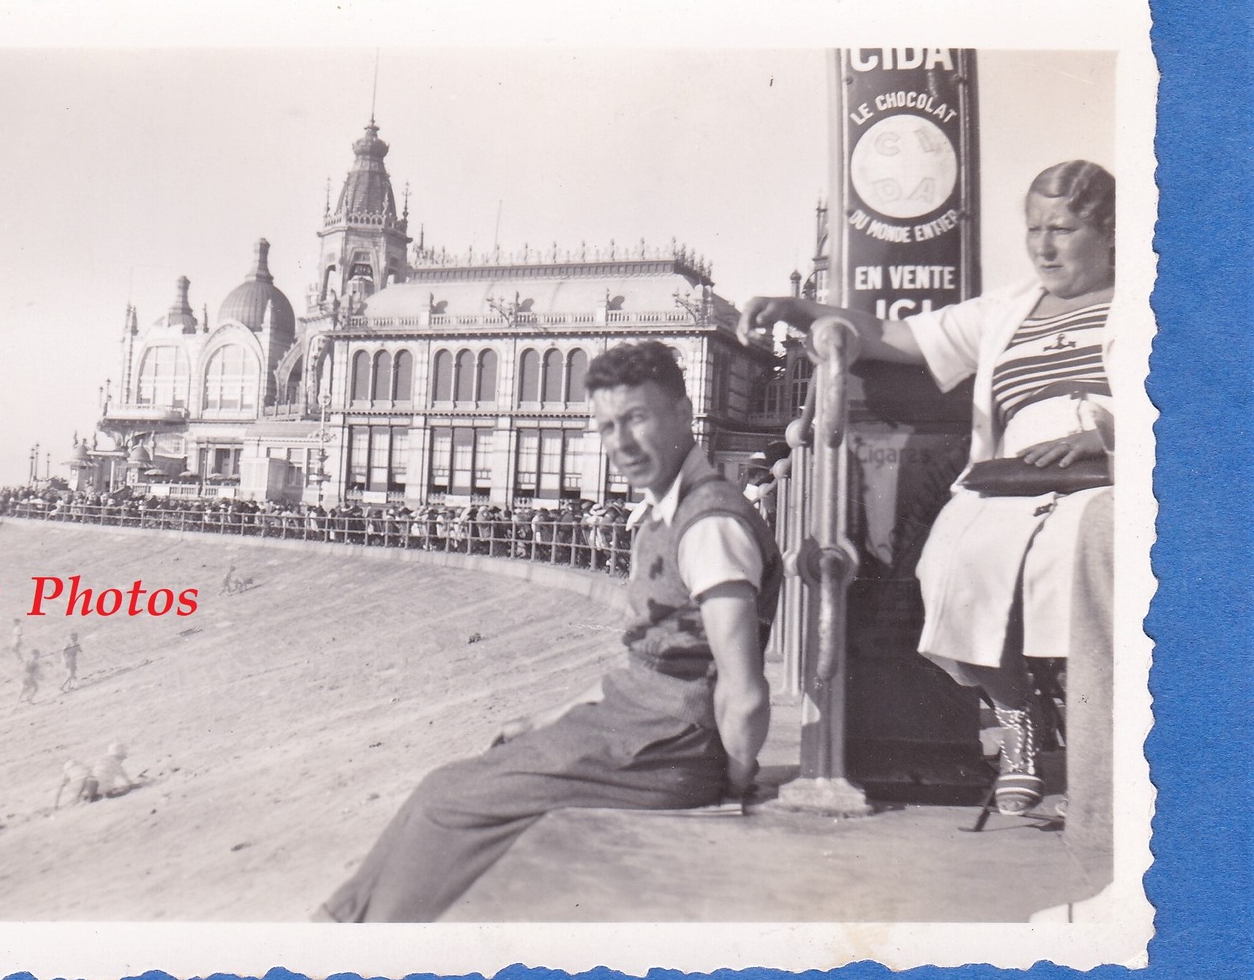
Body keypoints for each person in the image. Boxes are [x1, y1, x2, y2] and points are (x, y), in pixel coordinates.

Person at [319, 341, 780, 922]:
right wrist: (546, 720)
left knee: (451, 804)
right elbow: (648, 668)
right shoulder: (669, 510)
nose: (620, 443)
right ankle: (339, 927)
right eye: (607, 426)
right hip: (639, 729)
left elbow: (743, 690)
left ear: (684, 413)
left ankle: (357, 955)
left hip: (667, 752)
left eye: (636, 418)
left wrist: (734, 777)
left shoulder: (709, 523)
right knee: (447, 782)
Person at [739, 159, 1117, 816]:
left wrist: (1107, 436)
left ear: (1107, 231)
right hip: (1010, 475)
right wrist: (801, 308)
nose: (1042, 246)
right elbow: (893, 335)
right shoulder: (1008, 308)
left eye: (1062, 228)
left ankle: (1101, 748)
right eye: (1032, 229)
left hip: (1111, 471)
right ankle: (1016, 712)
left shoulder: (1150, 302)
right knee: (945, 574)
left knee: (1088, 563)